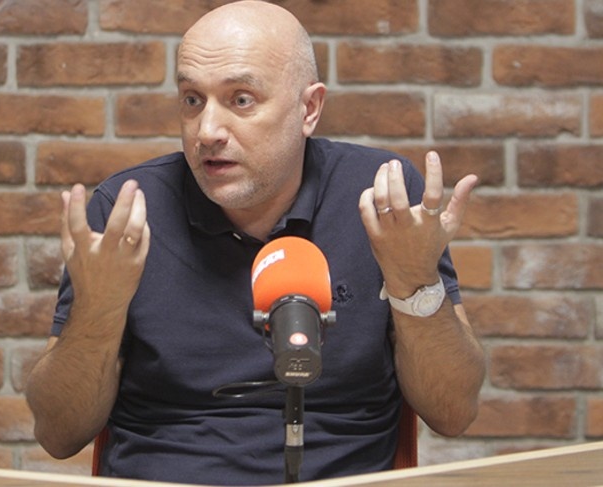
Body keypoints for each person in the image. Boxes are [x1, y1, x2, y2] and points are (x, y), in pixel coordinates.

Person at [25, 1, 486, 484]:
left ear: (309, 109)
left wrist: (414, 281)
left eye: (241, 100)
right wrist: (98, 310)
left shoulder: (383, 198)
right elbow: (58, 433)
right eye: (192, 100)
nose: (207, 132)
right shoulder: (127, 212)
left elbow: (453, 411)